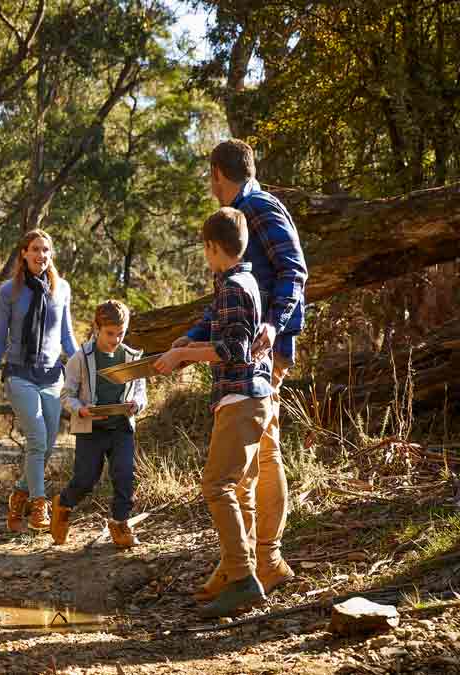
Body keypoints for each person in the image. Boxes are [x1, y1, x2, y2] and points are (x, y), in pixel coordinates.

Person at [173, 139, 308, 600]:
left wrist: (274, 325)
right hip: (247, 347)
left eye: (209, 177)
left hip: (263, 349)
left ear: (217, 173)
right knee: (258, 457)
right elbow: (221, 304)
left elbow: (294, 272)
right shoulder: (232, 218)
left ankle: (253, 565)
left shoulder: (260, 208)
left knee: (254, 463)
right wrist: (191, 338)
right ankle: (255, 563)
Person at [156, 207, 275, 617]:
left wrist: (183, 356)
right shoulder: (239, 280)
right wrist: (183, 344)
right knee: (239, 489)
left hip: (241, 400)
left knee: (216, 485)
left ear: (212, 247)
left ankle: (244, 578)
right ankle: (231, 570)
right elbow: (213, 324)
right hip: (248, 399)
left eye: (204, 249)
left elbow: (233, 351)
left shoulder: (235, 288)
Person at [0, 229, 79, 534]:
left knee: (46, 447)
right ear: (23, 253)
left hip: (51, 376)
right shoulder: (9, 291)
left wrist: (82, 368)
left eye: (46, 250)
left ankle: (19, 494)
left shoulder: (62, 289)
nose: (41, 255)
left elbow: (67, 337)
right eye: (35, 249)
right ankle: (39, 504)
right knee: (36, 439)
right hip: (19, 374)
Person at [51, 300, 148, 548]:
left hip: (121, 428)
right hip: (90, 429)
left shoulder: (132, 357)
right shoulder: (80, 358)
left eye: (121, 333)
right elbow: (66, 395)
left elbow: (141, 392)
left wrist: (136, 404)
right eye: (109, 333)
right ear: (97, 328)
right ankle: (62, 505)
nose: (115, 339)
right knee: (86, 479)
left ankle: (119, 524)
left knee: (125, 475)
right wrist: (81, 410)